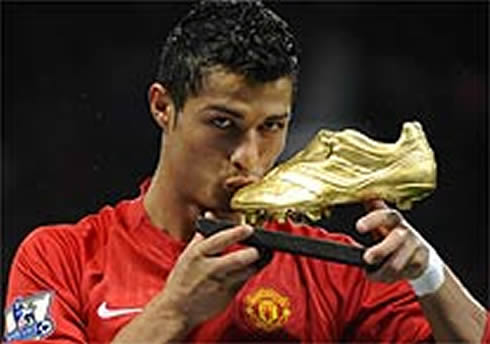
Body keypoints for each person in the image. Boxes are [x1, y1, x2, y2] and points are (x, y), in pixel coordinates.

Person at [3, 1, 487, 342]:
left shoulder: (330, 268)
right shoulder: (60, 258)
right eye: (223, 124)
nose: (249, 157)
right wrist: (174, 312)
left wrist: (429, 273)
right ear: (162, 107)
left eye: (272, 127)